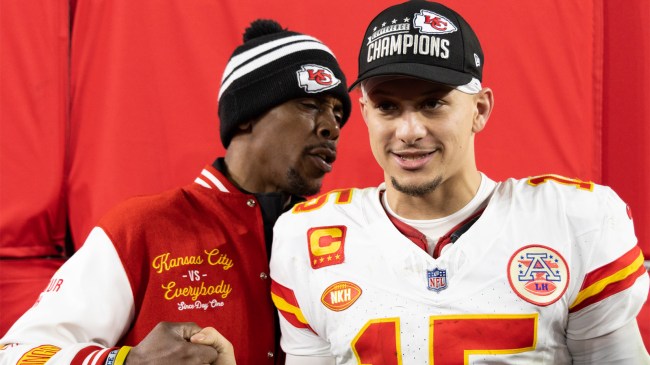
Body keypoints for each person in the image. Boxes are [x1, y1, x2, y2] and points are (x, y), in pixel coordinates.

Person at [269, 1, 650, 364]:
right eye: (387, 107)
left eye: (432, 104)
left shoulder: (572, 220)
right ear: (366, 113)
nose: (409, 131)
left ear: (479, 109)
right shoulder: (308, 235)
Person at [0, 19, 351, 365]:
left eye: (338, 114)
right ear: (246, 114)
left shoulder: (339, 236)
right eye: (309, 105)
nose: (331, 128)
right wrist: (124, 362)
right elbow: (16, 353)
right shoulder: (141, 227)